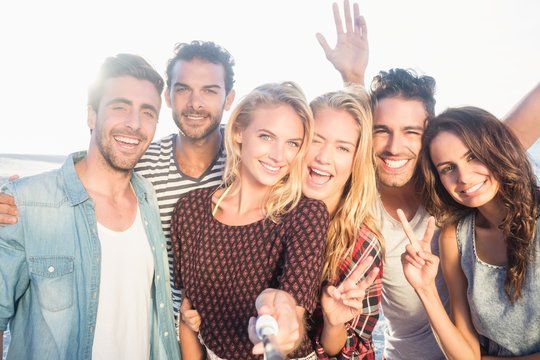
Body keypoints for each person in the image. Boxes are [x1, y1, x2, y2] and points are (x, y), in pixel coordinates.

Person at [316, 1, 540, 358]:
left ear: (429, 135)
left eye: (410, 132)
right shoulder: (357, 201)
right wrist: (353, 80)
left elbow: (524, 122)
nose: (394, 146)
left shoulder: (461, 182)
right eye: (381, 131)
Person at [0, 54, 180, 359]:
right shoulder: (26, 202)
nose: (134, 124)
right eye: (120, 107)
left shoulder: (148, 198)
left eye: (147, 112)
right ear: (91, 115)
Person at [171, 81, 328, 359]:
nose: (278, 156)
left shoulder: (306, 215)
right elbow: (188, 315)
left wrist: (279, 327)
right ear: (239, 131)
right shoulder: (190, 210)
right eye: (266, 137)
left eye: (292, 143)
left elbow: (293, 316)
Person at [400, 107, 540, 358]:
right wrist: (425, 289)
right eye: (447, 168)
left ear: (496, 149)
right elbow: (466, 355)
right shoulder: (454, 237)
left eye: (473, 156)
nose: (463, 177)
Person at [303, 86, 383, 359]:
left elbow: (350, 351)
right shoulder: (266, 213)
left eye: (342, 148)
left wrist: (334, 323)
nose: (323, 158)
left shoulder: (360, 245)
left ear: (355, 161)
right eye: (316, 139)